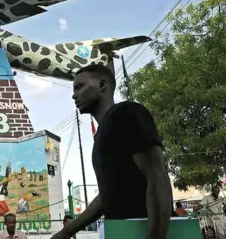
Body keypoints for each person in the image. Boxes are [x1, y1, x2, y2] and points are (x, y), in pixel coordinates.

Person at [52, 64, 174, 239]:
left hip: (140, 229)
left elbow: (156, 175)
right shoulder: (102, 134)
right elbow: (107, 196)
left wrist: (156, 236)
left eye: (80, 86)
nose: (74, 94)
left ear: (102, 85)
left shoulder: (126, 112)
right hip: (120, 231)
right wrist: (66, 232)